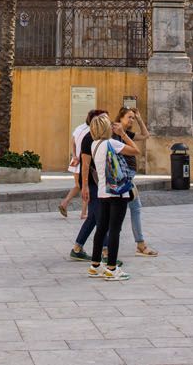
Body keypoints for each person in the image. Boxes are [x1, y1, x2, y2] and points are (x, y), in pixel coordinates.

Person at [88, 112, 138, 280]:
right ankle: (111, 267)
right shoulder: (112, 143)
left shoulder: (94, 145)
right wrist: (123, 134)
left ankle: (95, 265)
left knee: (101, 228)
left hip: (103, 192)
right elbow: (136, 151)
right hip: (118, 192)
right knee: (115, 230)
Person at [68, 109, 110, 261]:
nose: (108, 122)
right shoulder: (88, 139)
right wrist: (84, 187)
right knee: (101, 217)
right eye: (104, 119)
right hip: (91, 182)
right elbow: (85, 165)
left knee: (93, 216)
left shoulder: (101, 138)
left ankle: (77, 248)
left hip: (98, 181)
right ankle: (106, 253)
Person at [115, 107, 158, 257]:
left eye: (133, 118)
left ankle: (139, 244)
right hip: (123, 178)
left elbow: (146, 135)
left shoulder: (127, 133)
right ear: (120, 118)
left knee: (133, 209)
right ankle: (139, 244)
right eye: (129, 117)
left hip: (128, 177)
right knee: (129, 210)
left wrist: (140, 119)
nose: (131, 120)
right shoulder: (115, 132)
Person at [59, 110, 99, 219]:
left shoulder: (79, 128)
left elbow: (72, 141)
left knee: (78, 185)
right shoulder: (92, 131)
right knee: (87, 187)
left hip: (76, 162)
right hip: (84, 162)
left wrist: (74, 155)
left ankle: (64, 203)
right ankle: (84, 213)